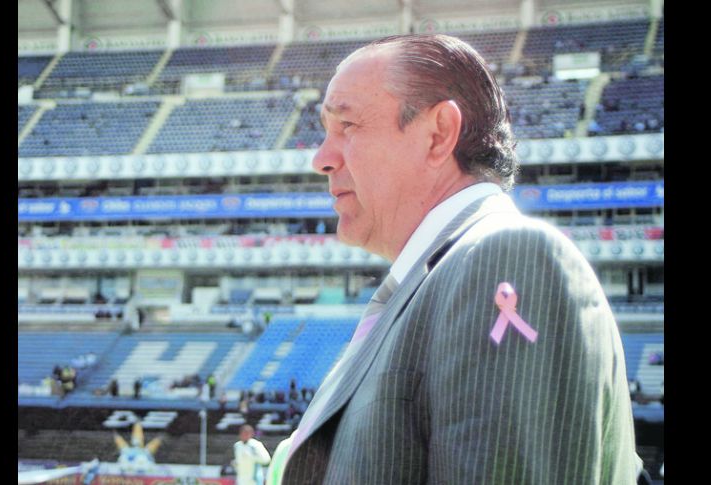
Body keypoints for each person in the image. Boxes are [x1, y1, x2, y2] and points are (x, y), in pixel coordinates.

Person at [272, 34, 642, 484]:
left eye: (347, 126)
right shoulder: (434, 280)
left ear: (438, 133)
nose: (321, 159)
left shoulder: (505, 255)